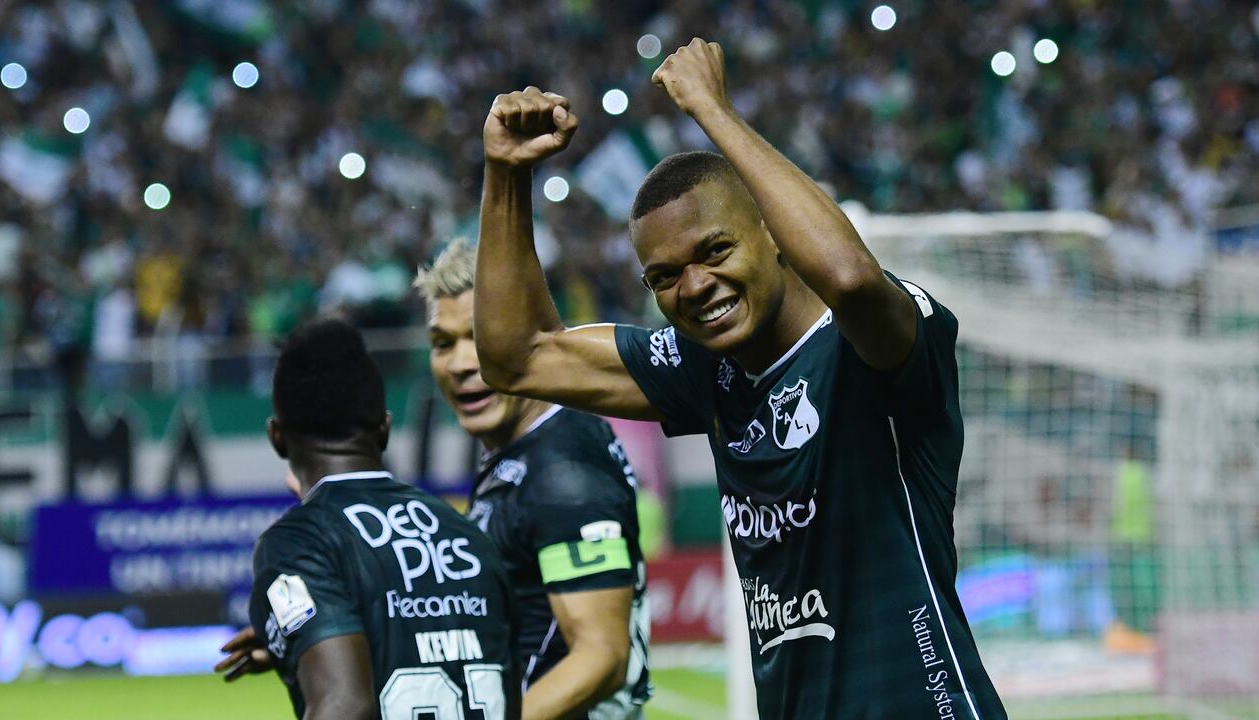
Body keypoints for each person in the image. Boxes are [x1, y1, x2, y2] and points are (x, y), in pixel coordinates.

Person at [473, 39, 1006, 719]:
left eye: (715, 250)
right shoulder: (706, 369)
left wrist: (712, 110)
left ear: (773, 231)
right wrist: (504, 174)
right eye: (663, 277)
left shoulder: (879, 344)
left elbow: (849, 277)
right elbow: (518, 357)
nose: (694, 286)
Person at [219, 318, 520, 719]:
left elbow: (344, 705)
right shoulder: (466, 534)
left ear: (277, 437)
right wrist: (297, 642)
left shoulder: (299, 542)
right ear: (384, 429)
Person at [415, 239, 652, 719]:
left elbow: (601, 658)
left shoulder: (562, 469)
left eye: (480, 338)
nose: (462, 364)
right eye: (444, 343)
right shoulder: (519, 456)